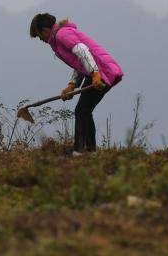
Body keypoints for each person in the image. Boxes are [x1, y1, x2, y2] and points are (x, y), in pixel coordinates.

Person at [29, 13, 124, 155]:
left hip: (103, 71)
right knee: (84, 110)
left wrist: (96, 74)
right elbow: (80, 63)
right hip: (95, 72)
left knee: (82, 111)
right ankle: (90, 151)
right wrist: (72, 85)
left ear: (45, 30)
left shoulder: (62, 35)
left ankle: (79, 152)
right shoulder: (59, 38)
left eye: (38, 35)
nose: (40, 39)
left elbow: (82, 50)